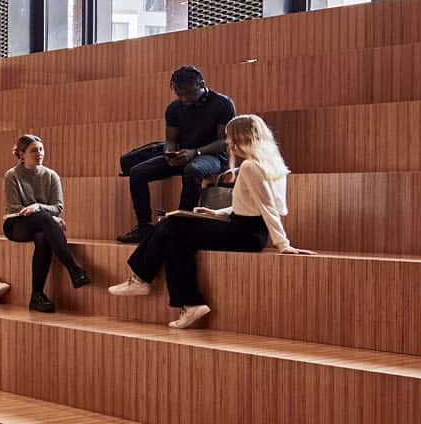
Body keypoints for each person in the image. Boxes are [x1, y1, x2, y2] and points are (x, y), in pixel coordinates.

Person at [108, 114, 313, 327]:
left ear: (240, 138)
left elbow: (268, 207)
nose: (228, 143)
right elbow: (258, 205)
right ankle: (191, 304)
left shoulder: (250, 167)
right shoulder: (273, 164)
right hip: (249, 231)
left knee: (170, 224)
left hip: (244, 233)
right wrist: (216, 213)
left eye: (230, 138)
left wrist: (283, 244)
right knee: (173, 238)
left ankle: (140, 278)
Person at [118, 65, 236, 244]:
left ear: (202, 84)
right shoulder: (174, 108)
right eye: (179, 94)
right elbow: (171, 139)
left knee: (193, 170)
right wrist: (169, 154)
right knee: (137, 172)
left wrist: (195, 152)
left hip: (213, 156)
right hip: (184, 154)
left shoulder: (222, 104)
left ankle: (181, 225)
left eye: (189, 93)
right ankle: (143, 226)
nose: (184, 99)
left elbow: (224, 142)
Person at [3, 134, 90, 313]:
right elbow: (16, 207)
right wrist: (46, 215)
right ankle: (74, 269)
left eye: (41, 149)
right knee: (44, 219)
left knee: (42, 237)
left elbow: (57, 207)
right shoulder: (12, 176)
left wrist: (38, 208)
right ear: (21, 154)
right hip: (16, 224)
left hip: (41, 223)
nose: (39, 153)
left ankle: (37, 295)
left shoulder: (51, 176)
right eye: (34, 150)